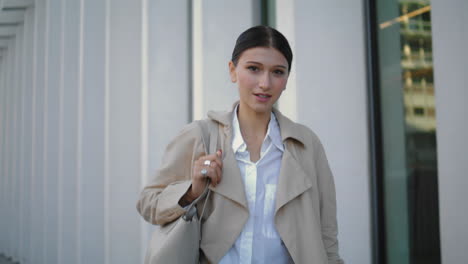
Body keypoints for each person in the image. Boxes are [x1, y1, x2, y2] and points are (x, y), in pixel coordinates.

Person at [137, 25, 344, 264]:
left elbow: (327, 234)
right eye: (254, 69)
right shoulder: (200, 135)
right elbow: (148, 202)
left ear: (287, 79)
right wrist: (192, 190)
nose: (265, 83)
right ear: (233, 71)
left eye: (277, 72)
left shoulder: (306, 145)